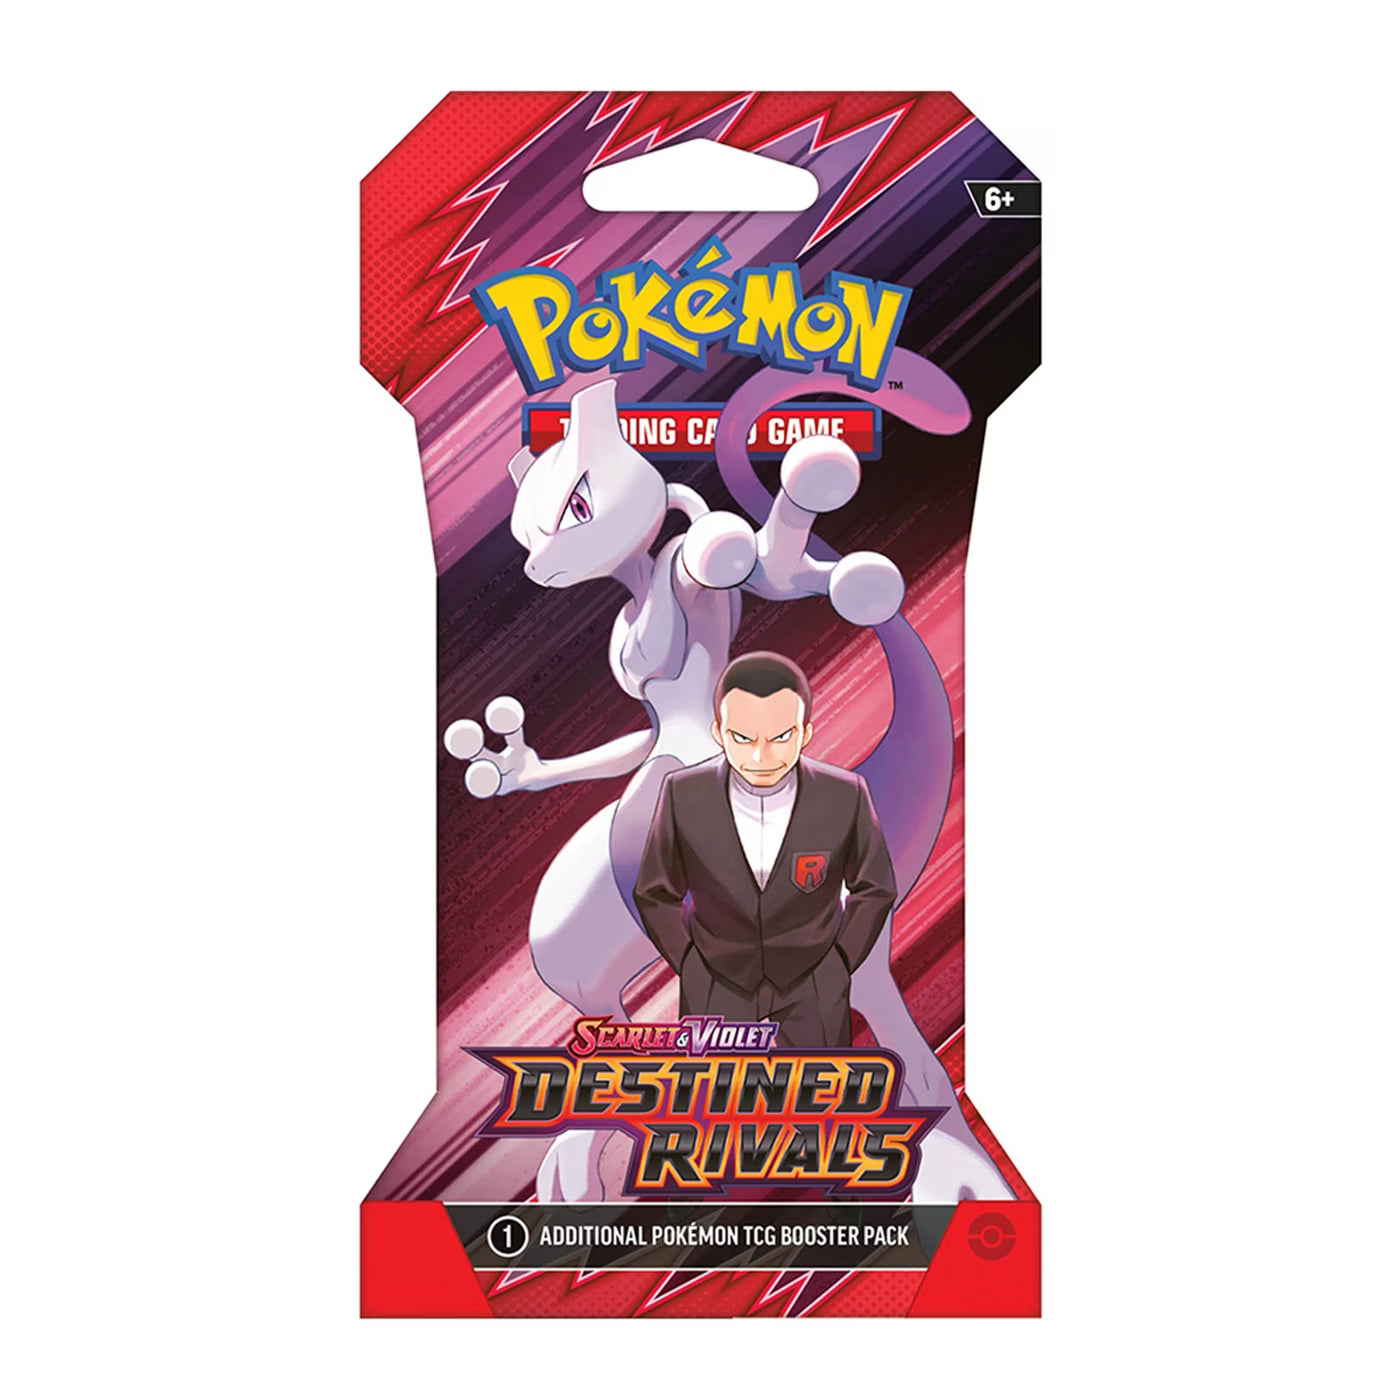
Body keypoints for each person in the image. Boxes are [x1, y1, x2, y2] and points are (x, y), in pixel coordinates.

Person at [633, 651, 897, 1046]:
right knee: (714, 1089)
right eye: (743, 738)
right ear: (718, 733)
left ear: (805, 733)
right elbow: (654, 891)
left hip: (814, 982)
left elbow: (875, 887)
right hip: (716, 980)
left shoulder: (846, 795)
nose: (761, 756)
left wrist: (840, 961)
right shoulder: (681, 794)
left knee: (821, 1087)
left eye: (780, 737)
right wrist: (689, 962)